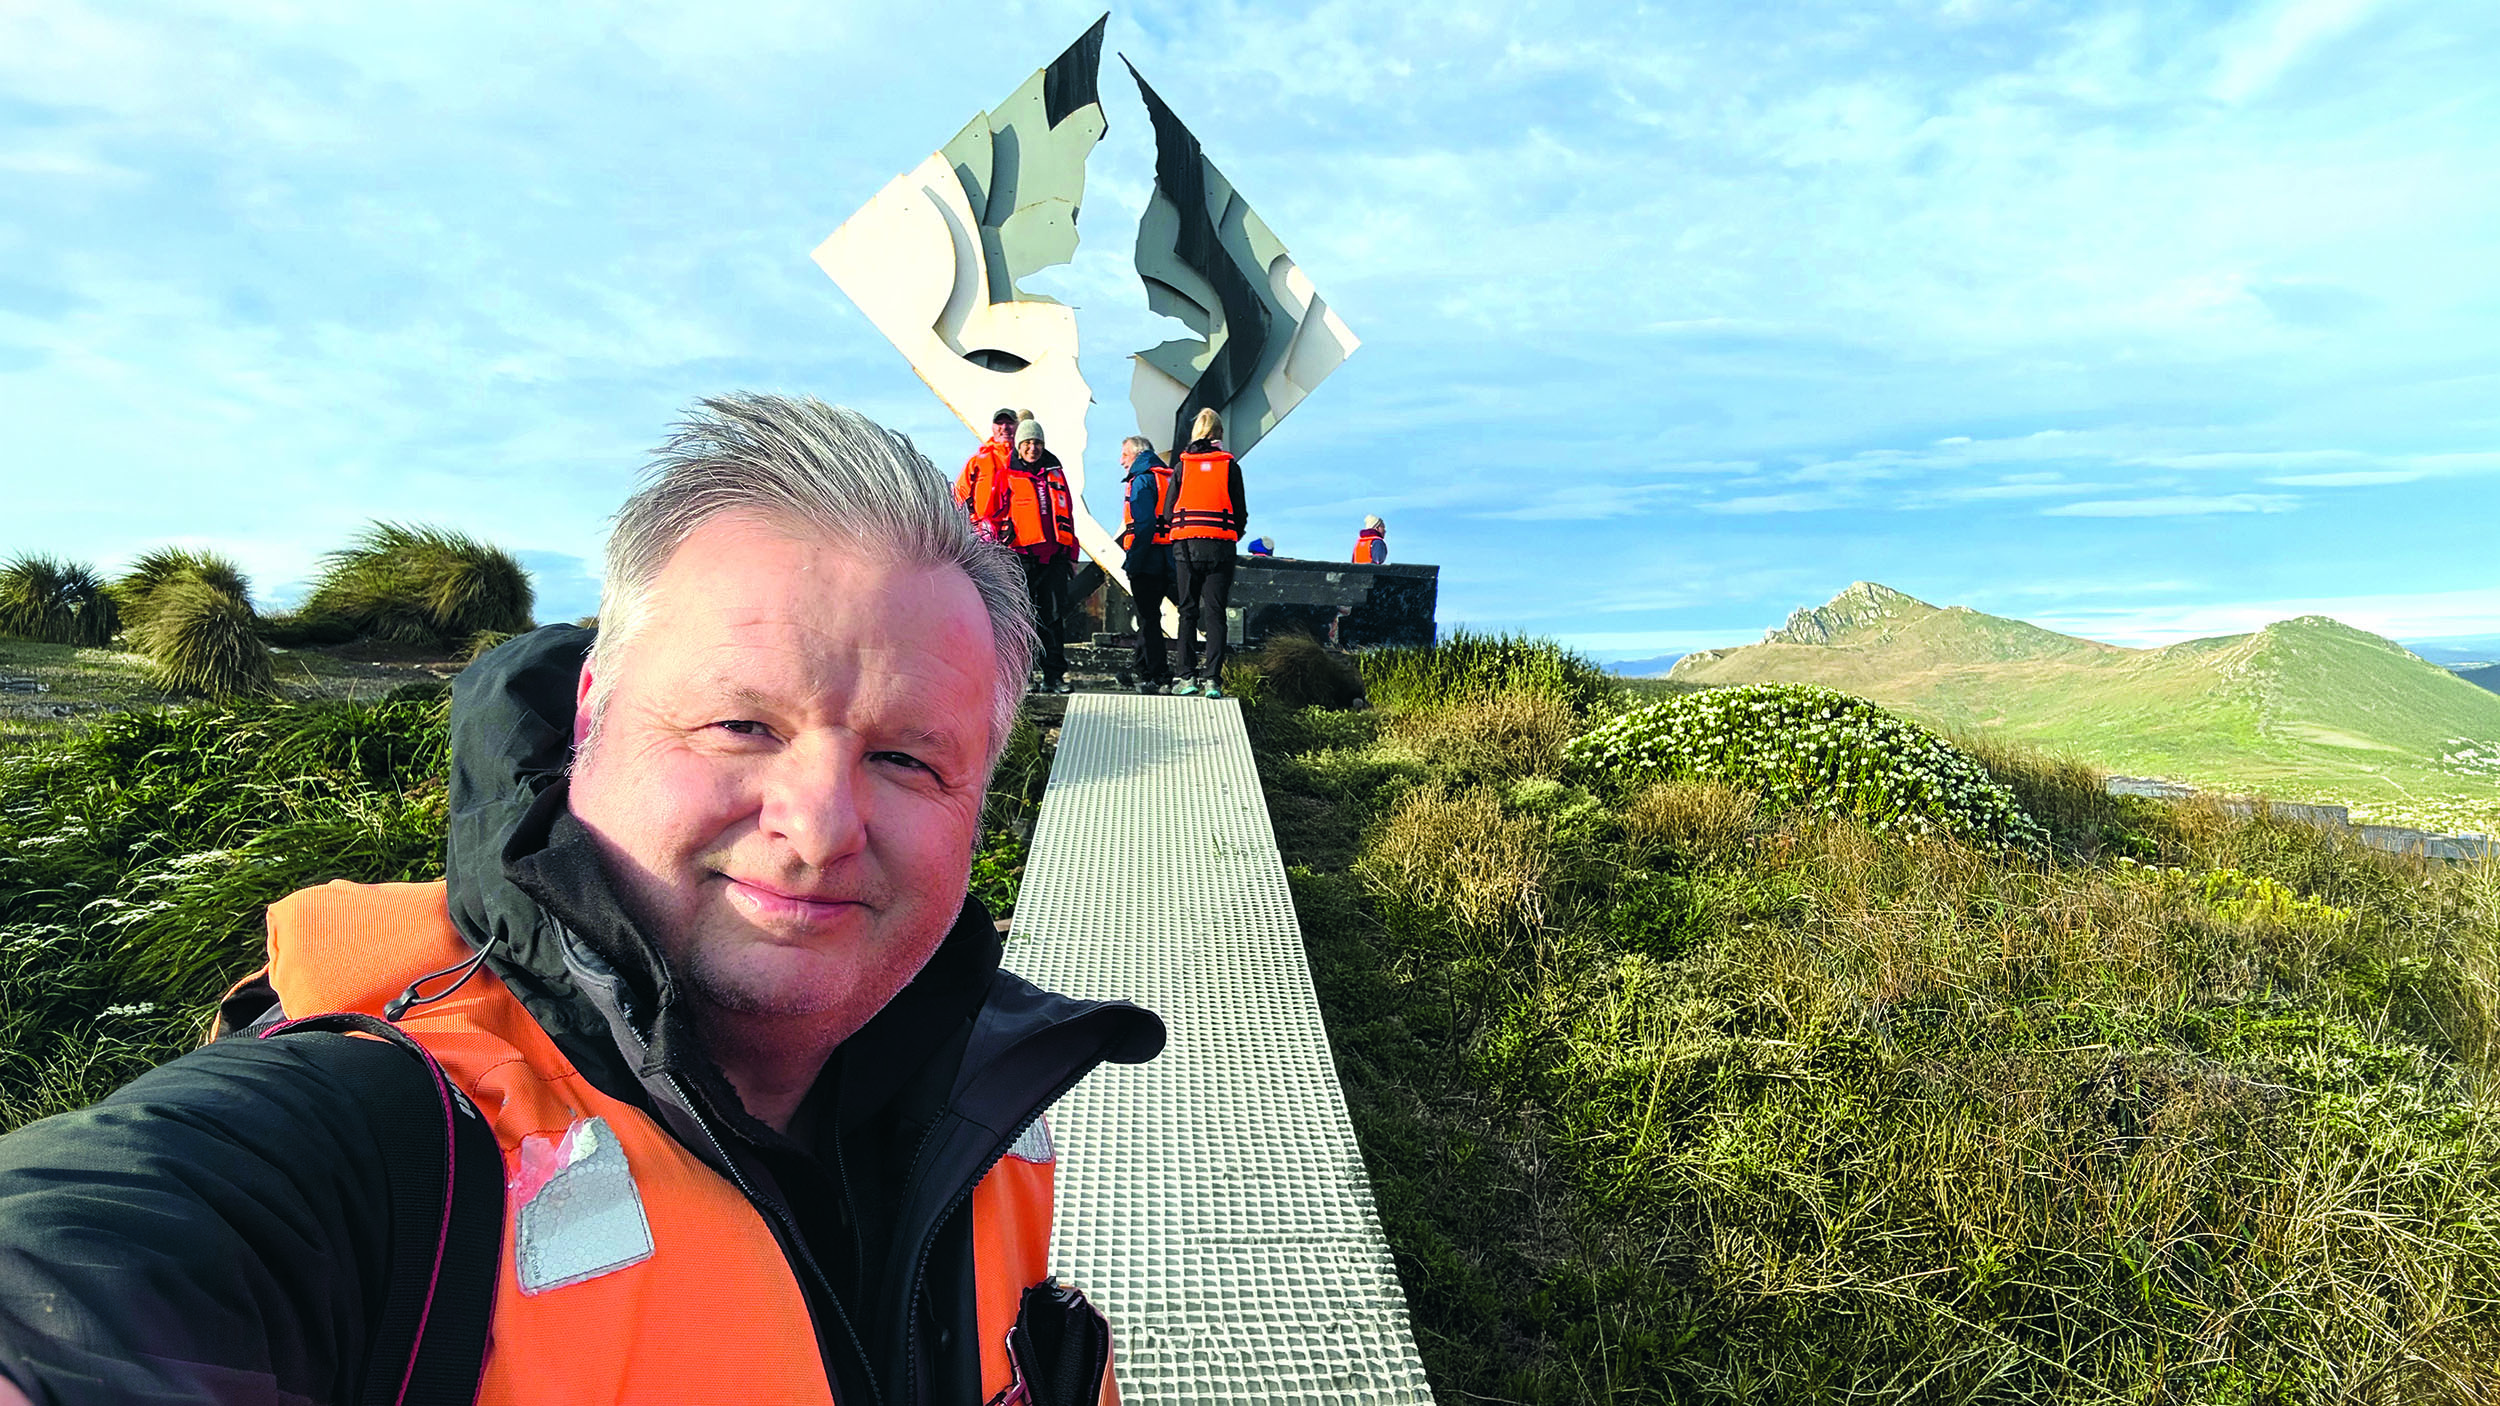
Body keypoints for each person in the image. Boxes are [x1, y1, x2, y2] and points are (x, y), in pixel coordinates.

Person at [0, 394, 1162, 1406]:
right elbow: (76, 1268)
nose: (817, 825)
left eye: (909, 757)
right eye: (741, 723)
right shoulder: (376, 1142)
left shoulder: (990, 1095)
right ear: (594, 711)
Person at [1157, 407, 1245, 699]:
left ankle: (1186, 677)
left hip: (1186, 546)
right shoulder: (1229, 465)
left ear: (1196, 433)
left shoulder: (1183, 466)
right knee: (1216, 614)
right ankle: (1213, 680)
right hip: (1220, 548)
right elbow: (1240, 511)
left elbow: (1170, 511)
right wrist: (1231, 535)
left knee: (1188, 612)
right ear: (1219, 434)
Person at [1002, 416, 1080, 693]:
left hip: (1055, 557)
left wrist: (1072, 552)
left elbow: (1067, 511)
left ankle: (1054, 676)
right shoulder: (1007, 473)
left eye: (1037, 443)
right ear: (1019, 446)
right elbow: (997, 509)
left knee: (1054, 617)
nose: (1032, 448)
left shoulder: (1055, 472)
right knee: (1022, 618)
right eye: (1027, 443)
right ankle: (1023, 678)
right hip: (1021, 556)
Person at [1116, 434, 1175, 694]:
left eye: (1125, 455)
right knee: (1157, 616)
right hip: (1171, 557)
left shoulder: (1141, 480)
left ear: (1138, 455)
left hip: (1148, 559)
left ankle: (1157, 675)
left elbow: (1145, 524)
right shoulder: (1169, 477)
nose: (1121, 461)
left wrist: (1133, 560)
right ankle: (1144, 668)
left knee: (1149, 618)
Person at [956, 406, 1019, 541]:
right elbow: (959, 497)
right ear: (993, 427)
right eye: (999, 423)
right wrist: (974, 525)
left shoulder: (1027, 462)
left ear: (1017, 426)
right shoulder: (977, 461)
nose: (1004, 427)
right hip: (984, 536)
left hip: (1019, 540)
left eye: (1009, 423)